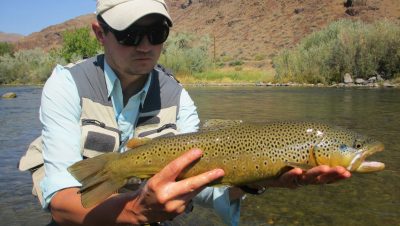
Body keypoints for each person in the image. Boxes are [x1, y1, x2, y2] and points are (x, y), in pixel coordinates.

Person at [19, 0, 351, 225]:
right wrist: (135, 210)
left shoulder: (178, 98)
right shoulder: (66, 85)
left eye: (157, 33)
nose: (145, 45)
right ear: (99, 33)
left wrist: (263, 179)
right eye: (129, 34)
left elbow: (206, 190)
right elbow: (61, 201)